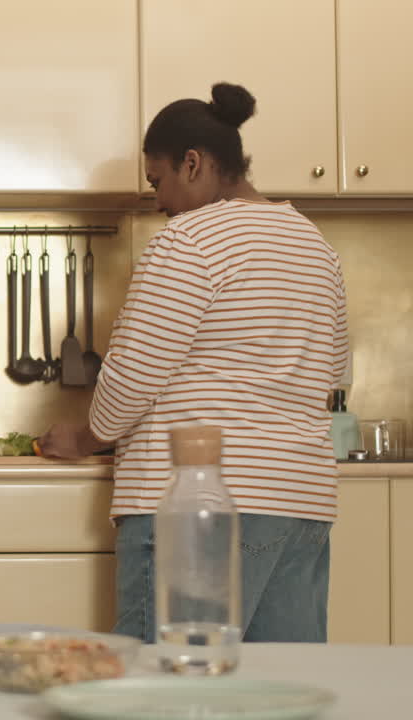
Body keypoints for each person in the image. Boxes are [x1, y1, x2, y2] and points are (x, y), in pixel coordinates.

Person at [40, 82, 349, 643]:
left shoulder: (190, 239)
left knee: (165, 688)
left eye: (158, 180)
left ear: (193, 162)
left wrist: (83, 439)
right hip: (301, 502)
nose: (157, 200)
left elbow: (131, 376)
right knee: (279, 690)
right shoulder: (314, 244)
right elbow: (333, 373)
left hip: (198, 506)